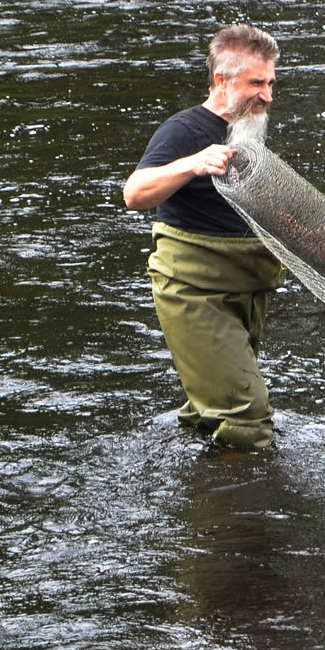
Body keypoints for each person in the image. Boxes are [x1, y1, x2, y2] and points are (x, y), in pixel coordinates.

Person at [122, 25, 285, 450]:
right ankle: (239, 514)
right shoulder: (184, 131)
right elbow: (134, 193)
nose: (267, 95)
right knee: (247, 416)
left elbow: (257, 209)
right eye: (256, 83)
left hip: (245, 285)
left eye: (270, 83)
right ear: (221, 81)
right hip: (194, 289)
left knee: (210, 411)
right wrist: (192, 164)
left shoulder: (249, 130)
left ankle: (200, 487)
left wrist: (310, 240)